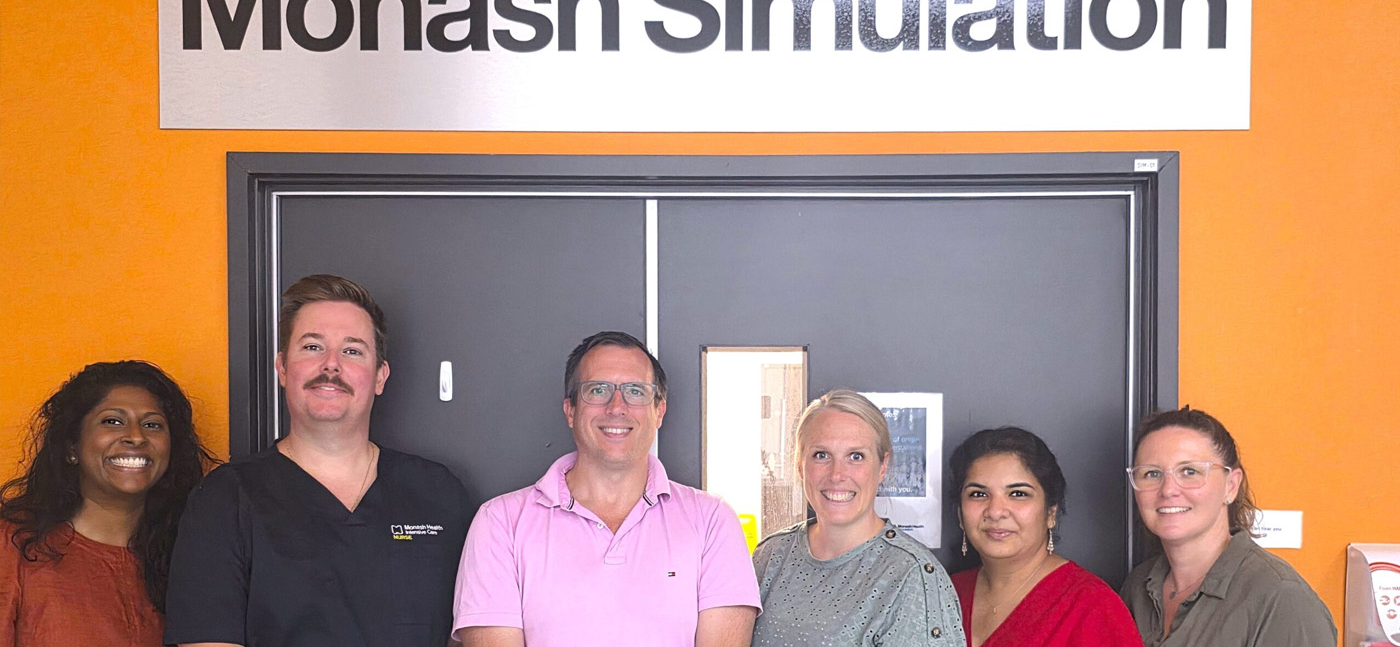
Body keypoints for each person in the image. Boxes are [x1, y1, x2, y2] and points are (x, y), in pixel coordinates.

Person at [163, 274, 474, 647]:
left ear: (380, 376)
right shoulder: (224, 500)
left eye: (352, 351)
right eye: (312, 347)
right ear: (282, 368)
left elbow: (470, 633)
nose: (331, 365)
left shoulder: (438, 492)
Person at [453, 330, 760, 646]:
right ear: (570, 410)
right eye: (597, 390)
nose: (617, 407)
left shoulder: (712, 521)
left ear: (659, 412)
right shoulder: (500, 523)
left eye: (636, 391)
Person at [1, 360, 218, 646]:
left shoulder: (192, 555)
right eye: (112, 421)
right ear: (71, 447)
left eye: (152, 424)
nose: (136, 437)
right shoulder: (13, 544)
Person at [751, 390, 964, 647]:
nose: (837, 474)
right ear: (799, 465)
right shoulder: (770, 557)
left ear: (882, 466)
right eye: (821, 455)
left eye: (856, 456)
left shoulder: (911, 574)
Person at [1120, 406, 1336, 646]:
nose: (1168, 489)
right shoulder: (1137, 587)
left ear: (1231, 486)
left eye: (1189, 471)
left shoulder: (1281, 598)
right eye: (1151, 474)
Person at [949, 427, 1142, 647]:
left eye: (1018, 494)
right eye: (979, 494)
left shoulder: (1092, 606)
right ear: (960, 514)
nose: (995, 511)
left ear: (1051, 512)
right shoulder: (945, 592)